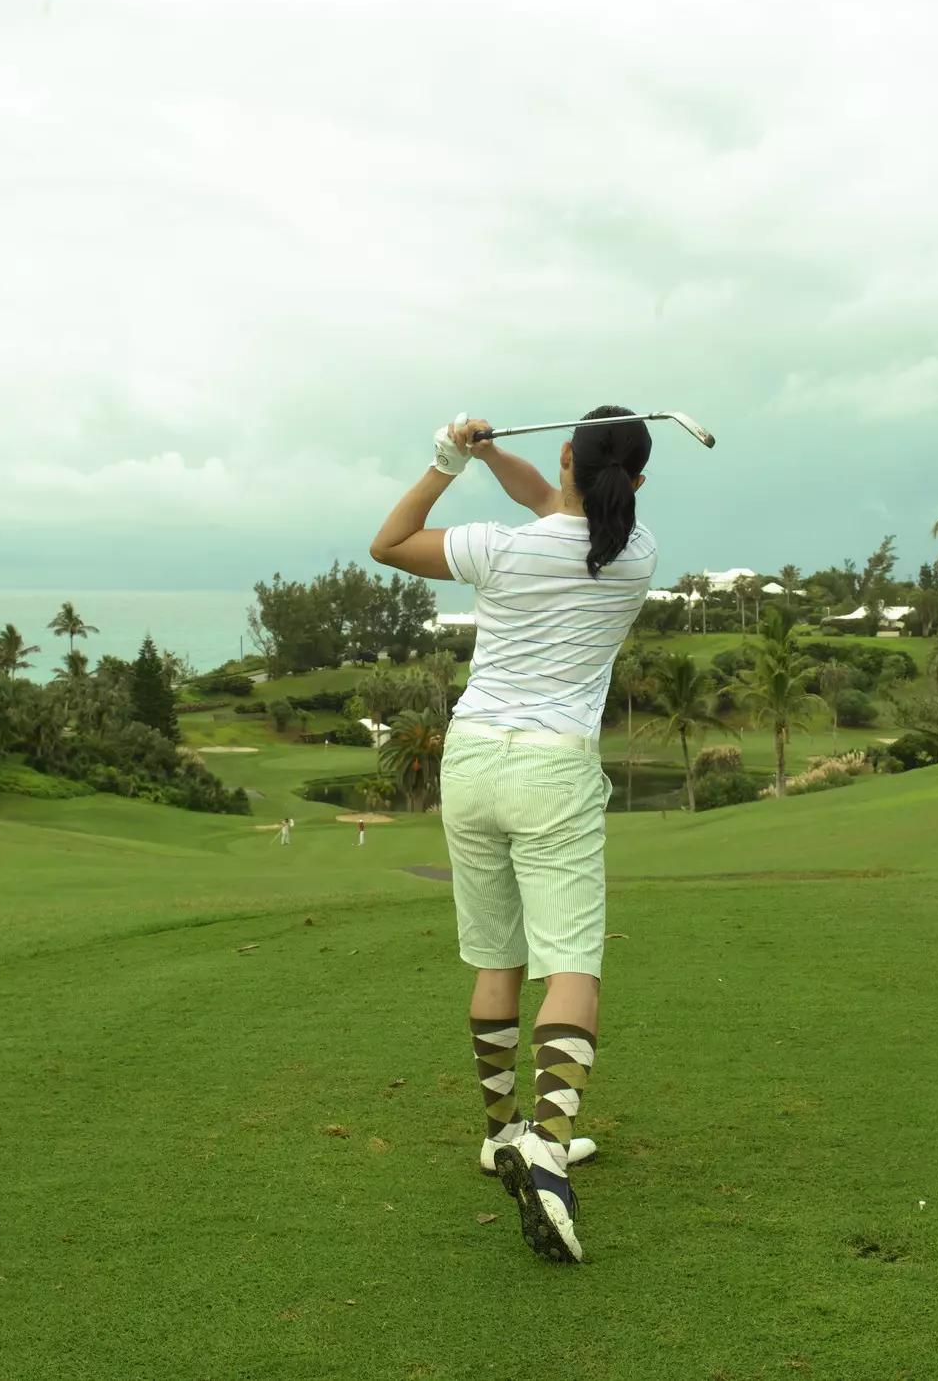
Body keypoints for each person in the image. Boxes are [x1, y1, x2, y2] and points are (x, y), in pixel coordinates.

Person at [370, 406, 656, 1265]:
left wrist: (450, 461)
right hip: (551, 773)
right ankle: (548, 1142)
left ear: (565, 454)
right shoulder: (635, 556)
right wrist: (493, 454)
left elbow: (390, 543)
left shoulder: (500, 548)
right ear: (636, 483)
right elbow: (561, 505)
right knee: (571, 965)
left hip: (472, 764)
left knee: (497, 958)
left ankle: (502, 1136)